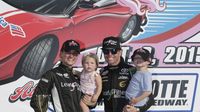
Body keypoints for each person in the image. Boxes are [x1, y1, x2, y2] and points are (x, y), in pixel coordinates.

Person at [30, 40, 82, 112]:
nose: (71, 56)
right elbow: (36, 100)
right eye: (68, 52)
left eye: (75, 54)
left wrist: (92, 101)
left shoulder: (79, 76)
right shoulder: (51, 74)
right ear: (61, 54)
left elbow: (88, 103)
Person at [98, 36, 137, 112]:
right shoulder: (102, 72)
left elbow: (149, 97)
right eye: (106, 51)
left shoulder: (132, 70)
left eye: (113, 50)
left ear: (120, 52)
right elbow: (97, 98)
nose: (109, 54)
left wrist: (138, 109)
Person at [124, 48, 154, 112]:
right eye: (136, 58)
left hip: (136, 105)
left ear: (148, 61)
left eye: (142, 58)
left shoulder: (145, 74)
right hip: (131, 103)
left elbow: (148, 91)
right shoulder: (137, 72)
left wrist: (136, 100)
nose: (138, 60)